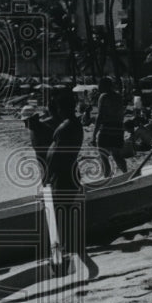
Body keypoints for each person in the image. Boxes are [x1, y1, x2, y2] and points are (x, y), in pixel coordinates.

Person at [43, 89, 84, 252]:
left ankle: (66, 246)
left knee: (61, 210)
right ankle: (67, 244)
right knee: (64, 209)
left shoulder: (65, 127)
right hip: (69, 170)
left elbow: (56, 155)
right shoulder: (73, 124)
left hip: (63, 174)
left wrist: (47, 175)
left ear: (63, 109)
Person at [93, 77, 128, 178]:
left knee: (104, 157)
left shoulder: (103, 96)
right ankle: (126, 174)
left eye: (100, 85)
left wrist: (94, 135)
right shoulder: (118, 97)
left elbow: (100, 116)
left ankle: (107, 179)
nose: (98, 87)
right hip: (118, 129)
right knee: (117, 155)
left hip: (107, 129)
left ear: (104, 85)